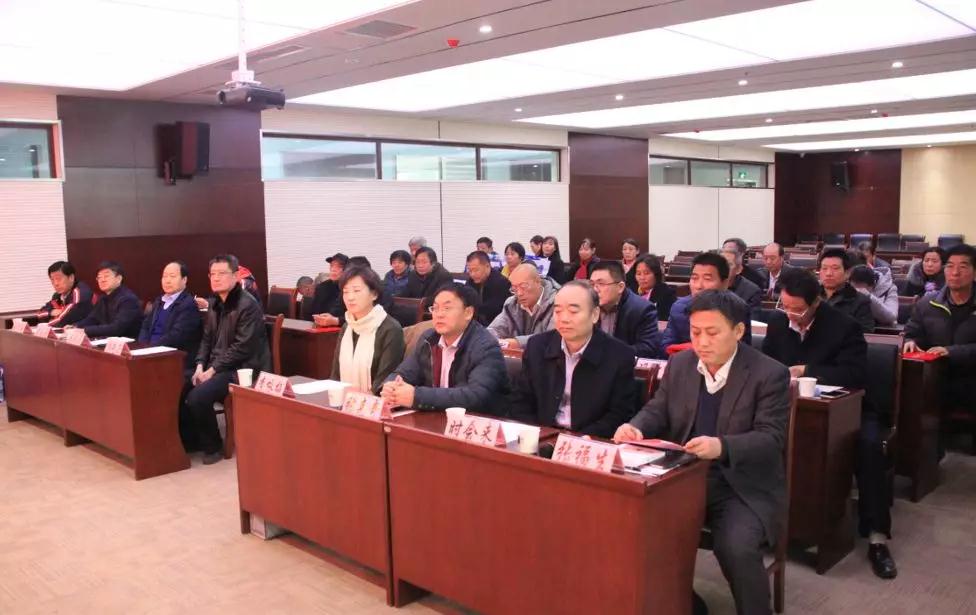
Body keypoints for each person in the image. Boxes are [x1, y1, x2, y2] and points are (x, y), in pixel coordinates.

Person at [615, 290, 790, 615]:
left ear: (738, 331)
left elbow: (771, 438)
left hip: (740, 485)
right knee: (632, 525)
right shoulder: (681, 363)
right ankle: (684, 602)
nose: (702, 342)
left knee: (736, 547)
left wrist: (722, 446)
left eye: (712, 333)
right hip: (681, 478)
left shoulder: (769, 374)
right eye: (696, 332)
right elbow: (658, 409)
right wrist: (635, 426)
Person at [761, 268, 896, 580]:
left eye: (798, 309)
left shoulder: (844, 327)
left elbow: (854, 373)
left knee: (869, 448)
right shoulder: (778, 322)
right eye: (785, 306)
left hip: (851, 408)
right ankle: (769, 523)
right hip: (792, 407)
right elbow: (766, 363)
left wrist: (806, 370)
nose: (791, 315)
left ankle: (877, 537)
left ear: (816, 303)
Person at [509, 281, 639, 437]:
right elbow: (521, 401)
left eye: (573, 311)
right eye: (558, 311)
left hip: (589, 441)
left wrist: (579, 440)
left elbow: (619, 414)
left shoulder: (619, 355)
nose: (564, 319)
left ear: (594, 314)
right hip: (540, 437)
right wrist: (537, 435)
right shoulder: (537, 347)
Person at [184, 254, 271, 464]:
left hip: (243, 369)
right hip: (218, 366)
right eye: (212, 274)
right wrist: (199, 365)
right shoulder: (214, 303)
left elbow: (242, 348)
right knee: (179, 383)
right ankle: (192, 440)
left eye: (222, 273)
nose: (216, 278)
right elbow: (206, 340)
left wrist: (212, 370)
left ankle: (213, 447)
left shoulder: (247, 305)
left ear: (235, 276)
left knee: (197, 397)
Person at [382, 284, 509, 415]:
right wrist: (391, 386)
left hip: (477, 421)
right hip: (435, 417)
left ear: (468, 313)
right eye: (435, 308)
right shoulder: (428, 339)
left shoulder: (486, 347)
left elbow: (475, 396)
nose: (439, 314)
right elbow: (403, 373)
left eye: (447, 308)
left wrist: (417, 396)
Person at [904, 244, 976, 414]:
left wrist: (951, 352)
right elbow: (911, 333)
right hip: (935, 380)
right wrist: (910, 342)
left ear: (974, 272)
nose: (955, 273)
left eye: (963, 267)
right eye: (950, 266)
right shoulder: (927, 303)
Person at [330, 266, 405, 395]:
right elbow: (336, 375)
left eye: (356, 290)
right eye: (346, 292)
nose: (350, 297)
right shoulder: (348, 326)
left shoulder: (390, 329)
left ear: (374, 294)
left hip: (375, 401)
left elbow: (384, 381)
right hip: (344, 400)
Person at [660, 252, 751, 356]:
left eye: (707, 279)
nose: (699, 286)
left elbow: (742, 351)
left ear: (725, 283)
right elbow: (666, 347)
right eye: (694, 278)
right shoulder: (679, 307)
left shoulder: (737, 308)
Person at [589, 261, 662, 358]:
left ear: (620, 287)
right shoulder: (587, 306)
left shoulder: (642, 309)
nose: (595, 289)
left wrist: (609, 354)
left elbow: (647, 349)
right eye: (592, 284)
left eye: (601, 284)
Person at [138, 261, 203, 368]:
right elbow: (145, 326)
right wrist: (142, 346)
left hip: (172, 358)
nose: (167, 280)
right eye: (164, 276)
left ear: (184, 280)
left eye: (172, 276)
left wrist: (150, 349)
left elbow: (176, 336)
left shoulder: (188, 304)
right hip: (149, 353)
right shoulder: (159, 301)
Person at [488, 263, 560, 349]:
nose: (519, 293)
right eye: (514, 289)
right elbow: (495, 329)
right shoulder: (511, 304)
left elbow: (552, 338)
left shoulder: (558, 302)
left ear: (538, 281)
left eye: (523, 286)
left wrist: (517, 343)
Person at [72, 261, 143, 339]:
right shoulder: (103, 298)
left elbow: (116, 328)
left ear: (119, 279)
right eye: (99, 277)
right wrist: (75, 326)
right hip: (106, 340)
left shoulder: (128, 299)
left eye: (106, 276)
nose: (102, 280)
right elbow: (93, 318)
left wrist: (84, 330)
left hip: (127, 343)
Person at [819, 248, 874, 333]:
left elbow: (865, 333)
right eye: (824, 268)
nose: (828, 273)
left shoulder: (860, 301)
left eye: (835, 268)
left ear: (847, 273)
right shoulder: (809, 295)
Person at [36, 260, 93, 327]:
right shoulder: (57, 296)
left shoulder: (80, 292)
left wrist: (47, 323)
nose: (55, 283)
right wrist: (51, 312)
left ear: (71, 277)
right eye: (52, 280)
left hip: (86, 331)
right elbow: (39, 314)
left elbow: (62, 321)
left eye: (58, 279)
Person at [465, 251, 511, 326]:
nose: (472, 274)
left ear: (487, 266)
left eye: (476, 270)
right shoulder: (471, 281)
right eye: (470, 271)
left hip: (496, 325)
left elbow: (493, 310)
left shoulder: (501, 283)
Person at [634, 254, 677, 321]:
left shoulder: (667, 294)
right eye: (638, 274)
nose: (642, 278)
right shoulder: (632, 292)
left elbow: (665, 320)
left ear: (656, 274)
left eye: (646, 273)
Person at [311, 253, 349, 327]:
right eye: (331, 265)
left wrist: (336, 321)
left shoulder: (351, 289)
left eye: (339, 266)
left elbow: (357, 317)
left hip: (345, 328)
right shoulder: (321, 287)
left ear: (347, 270)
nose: (333, 269)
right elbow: (314, 314)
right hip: (322, 328)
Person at [721, 248, 763, 317]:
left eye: (729, 264)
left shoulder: (752, 291)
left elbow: (752, 320)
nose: (723, 268)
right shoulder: (709, 285)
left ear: (739, 270)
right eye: (720, 264)